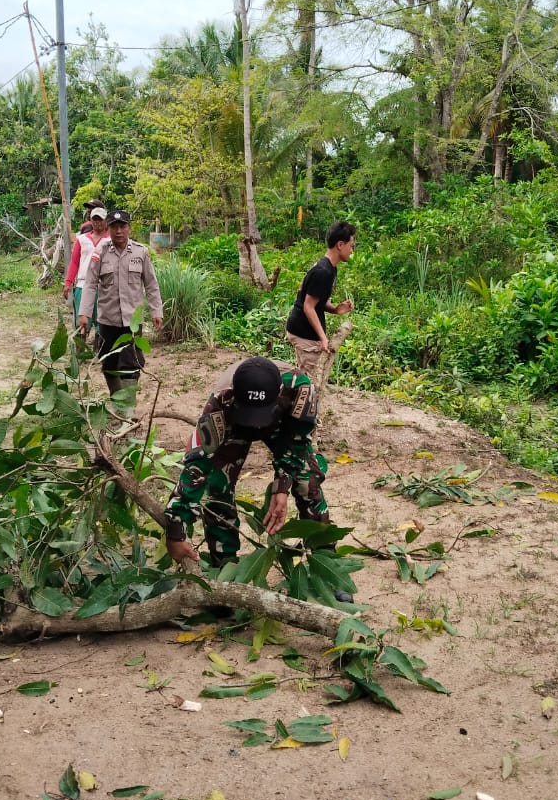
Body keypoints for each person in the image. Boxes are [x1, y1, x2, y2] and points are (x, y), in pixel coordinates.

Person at [162, 356, 353, 602]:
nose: (256, 423)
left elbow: (297, 442)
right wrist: (175, 533)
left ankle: (327, 568)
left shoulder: (300, 389)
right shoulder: (220, 405)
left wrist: (281, 487)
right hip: (234, 424)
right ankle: (226, 572)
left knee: (307, 481)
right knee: (217, 489)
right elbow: (196, 469)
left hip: (282, 423)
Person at [77, 209, 163, 399]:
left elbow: (151, 284)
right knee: (108, 363)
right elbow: (90, 284)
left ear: (129, 228)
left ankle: (127, 409)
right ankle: (117, 401)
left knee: (131, 364)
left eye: (122, 226)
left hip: (132, 322)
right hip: (107, 320)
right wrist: (84, 314)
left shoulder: (141, 252)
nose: (118, 231)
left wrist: (157, 311)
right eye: (114, 227)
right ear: (108, 229)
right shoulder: (100, 253)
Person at [285, 221, 356, 374]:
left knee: (307, 377)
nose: (352, 250)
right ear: (340, 245)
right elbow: (308, 306)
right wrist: (323, 338)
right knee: (310, 381)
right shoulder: (323, 272)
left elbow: (317, 301)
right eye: (351, 246)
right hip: (303, 331)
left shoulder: (330, 268)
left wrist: (335, 309)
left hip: (304, 330)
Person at [64, 206, 109, 326]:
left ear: (106, 221)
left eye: (100, 219)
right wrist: (68, 283)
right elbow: (74, 262)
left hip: (105, 286)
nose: (97, 222)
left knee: (104, 323)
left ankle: (99, 344)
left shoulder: (111, 240)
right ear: (91, 220)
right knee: (81, 323)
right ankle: (80, 343)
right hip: (82, 285)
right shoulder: (82, 239)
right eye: (95, 219)